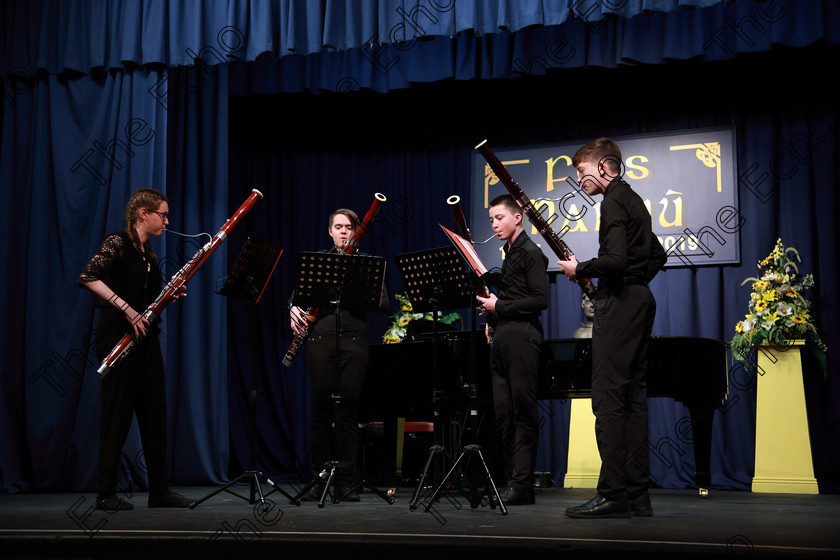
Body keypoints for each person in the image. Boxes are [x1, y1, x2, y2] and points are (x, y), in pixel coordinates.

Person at [557, 138, 667, 518]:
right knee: (633, 401)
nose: (580, 181)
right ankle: (638, 495)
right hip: (639, 301)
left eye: (583, 173)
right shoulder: (634, 199)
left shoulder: (613, 201)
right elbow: (658, 255)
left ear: (604, 167)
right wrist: (637, 282)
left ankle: (613, 494)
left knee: (607, 402)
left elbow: (616, 260)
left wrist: (579, 269)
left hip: (619, 305)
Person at [79, 188, 193, 510]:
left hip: (145, 339)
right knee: (116, 415)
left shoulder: (149, 254)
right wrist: (127, 309)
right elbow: (88, 276)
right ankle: (105, 494)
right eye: (164, 214)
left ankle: (159, 490)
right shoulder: (118, 243)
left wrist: (171, 294)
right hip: (116, 335)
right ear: (144, 213)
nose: (167, 221)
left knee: (155, 413)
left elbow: (149, 304)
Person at [289, 208, 389, 502]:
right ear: (330, 231)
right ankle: (318, 479)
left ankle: (347, 481)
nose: (344, 232)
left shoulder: (366, 265)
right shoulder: (317, 263)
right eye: (339, 227)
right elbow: (297, 297)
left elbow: (383, 304)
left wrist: (354, 292)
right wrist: (292, 307)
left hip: (353, 343)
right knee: (321, 412)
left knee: (348, 413)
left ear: (356, 232)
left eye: (349, 227)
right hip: (319, 341)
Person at [476, 194, 549, 506]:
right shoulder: (509, 254)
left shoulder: (531, 253)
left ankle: (522, 485)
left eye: (500, 218)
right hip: (504, 336)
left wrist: (499, 305)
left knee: (522, 413)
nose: (494, 224)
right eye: (491, 219)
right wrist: (493, 312)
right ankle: (513, 482)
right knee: (505, 414)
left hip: (522, 337)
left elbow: (539, 300)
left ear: (518, 218)